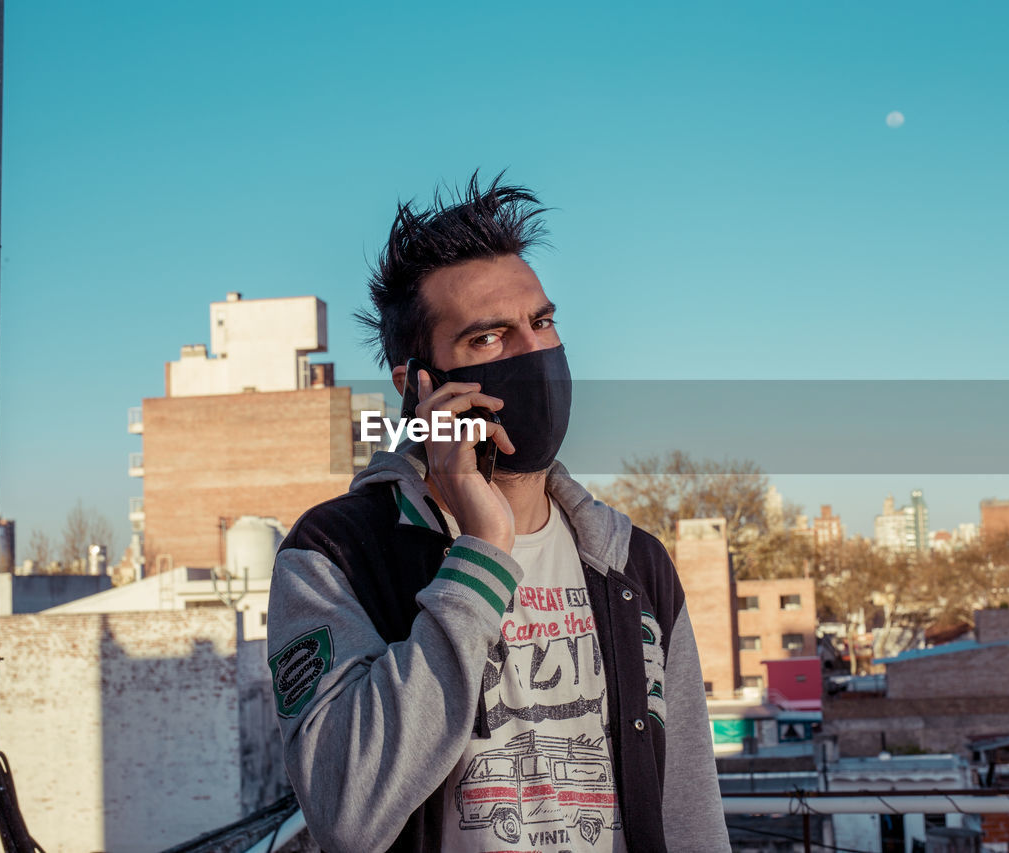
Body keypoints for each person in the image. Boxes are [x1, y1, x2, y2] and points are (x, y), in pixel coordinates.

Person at [267, 172, 727, 851]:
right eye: (490, 338)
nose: (535, 352)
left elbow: (690, 814)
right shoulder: (335, 555)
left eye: (542, 322)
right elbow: (347, 810)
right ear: (416, 384)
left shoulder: (633, 564)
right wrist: (482, 547)